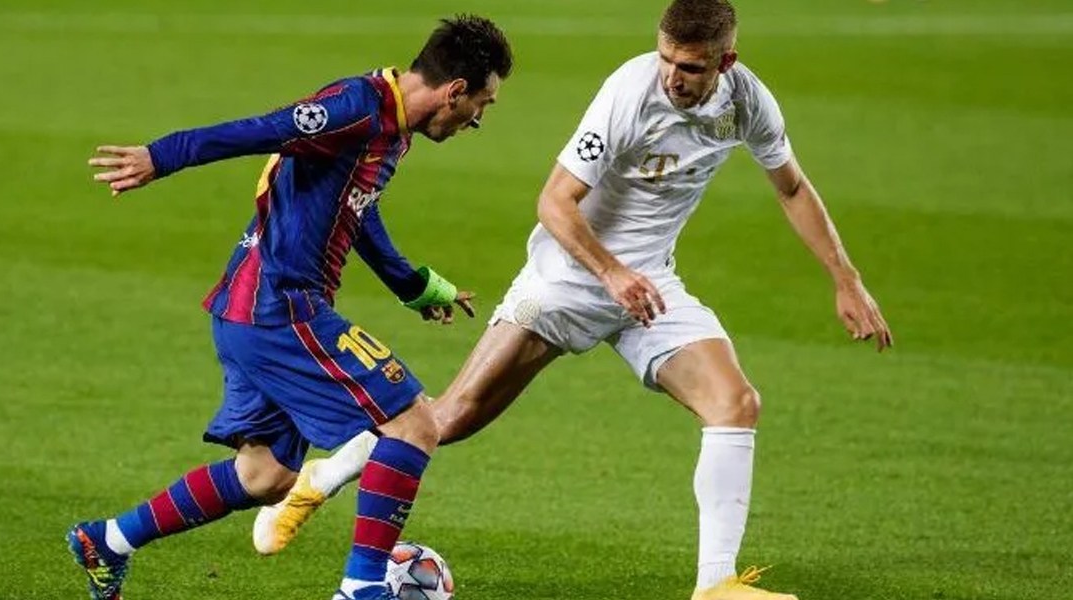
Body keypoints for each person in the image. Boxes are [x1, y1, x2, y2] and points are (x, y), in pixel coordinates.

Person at [254, 1, 892, 599]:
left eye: (691, 67)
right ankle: (320, 479)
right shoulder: (630, 92)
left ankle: (716, 585)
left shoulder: (749, 102)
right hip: (565, 279)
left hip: (648, 288)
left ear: (725, 62)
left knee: (735, 404)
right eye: (667, 58)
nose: (673, 76)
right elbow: (555, 202)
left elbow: (792, 188)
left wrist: (847, 278)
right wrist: (611, 273)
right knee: (447, 420)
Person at [65, 15, 512, 600]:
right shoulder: (355, 107)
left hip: (251, 310)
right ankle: (361, 588)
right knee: (414, 424)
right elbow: (260, 130)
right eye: (482, 104)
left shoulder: (395, 128)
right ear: (454, 91)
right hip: (279, 307)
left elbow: (358, 206)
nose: (477, 119)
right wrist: (160, 155)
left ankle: (108, 541)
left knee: (265, 476)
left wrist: (413, 284)